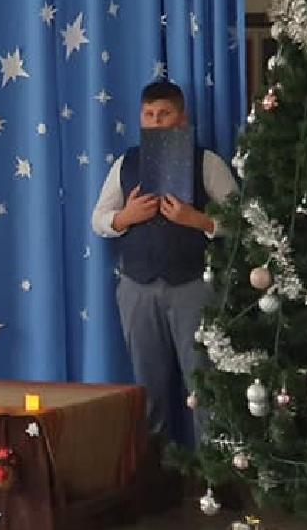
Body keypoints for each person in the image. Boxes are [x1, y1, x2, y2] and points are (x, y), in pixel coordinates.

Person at [91, 80, 237, 450]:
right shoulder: (126, 164)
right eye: (149, 115)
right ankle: (155, 472)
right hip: (137, 287)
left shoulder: (207, 162)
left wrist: (197, 220)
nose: (156, 121)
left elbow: (240, 220)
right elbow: (99, 220)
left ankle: (211, 471)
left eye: (164, 114)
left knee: (203, 384)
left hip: (193, 287)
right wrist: (125, 217)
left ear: (181, 118)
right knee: (148, 388)